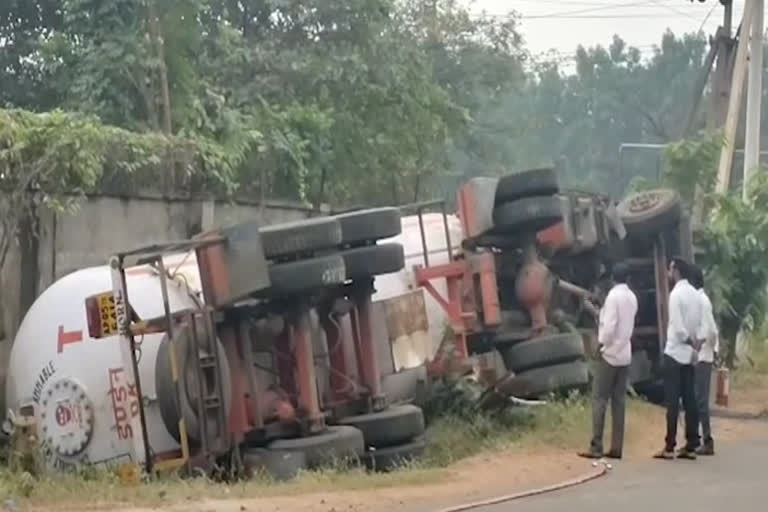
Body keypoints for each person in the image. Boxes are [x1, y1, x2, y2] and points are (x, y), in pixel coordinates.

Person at [579, 263, 638, 460]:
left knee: (599, 399)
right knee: (619, 402)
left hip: (609, 355)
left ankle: (596, 446)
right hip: (625, 355)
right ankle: (617, 447)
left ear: (613, 279)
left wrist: (600, 344)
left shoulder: (613, 297)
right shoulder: (632, 297)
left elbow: (609, 327)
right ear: (629, 279)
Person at [654, 257, 702, 460]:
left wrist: (688, 340)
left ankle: (669, 446)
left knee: (672, 402)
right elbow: (697, 324)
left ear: (676, 271)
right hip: (689, 355)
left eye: (670, 268)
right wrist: (694, 345)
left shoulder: (675, 295)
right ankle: (692, 443)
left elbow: (678, 326)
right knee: (690, 399)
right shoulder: (695, 295)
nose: (668, 271)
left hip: (675, 352)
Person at [691, 265, 719, 456]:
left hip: (703, 357)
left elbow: (712, 330)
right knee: (697, 399)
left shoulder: (701, 301)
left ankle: (707, 440)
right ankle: (699, 438)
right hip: (702, 356)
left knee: (701, 400)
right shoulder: (699, 300)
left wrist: (700, 345)